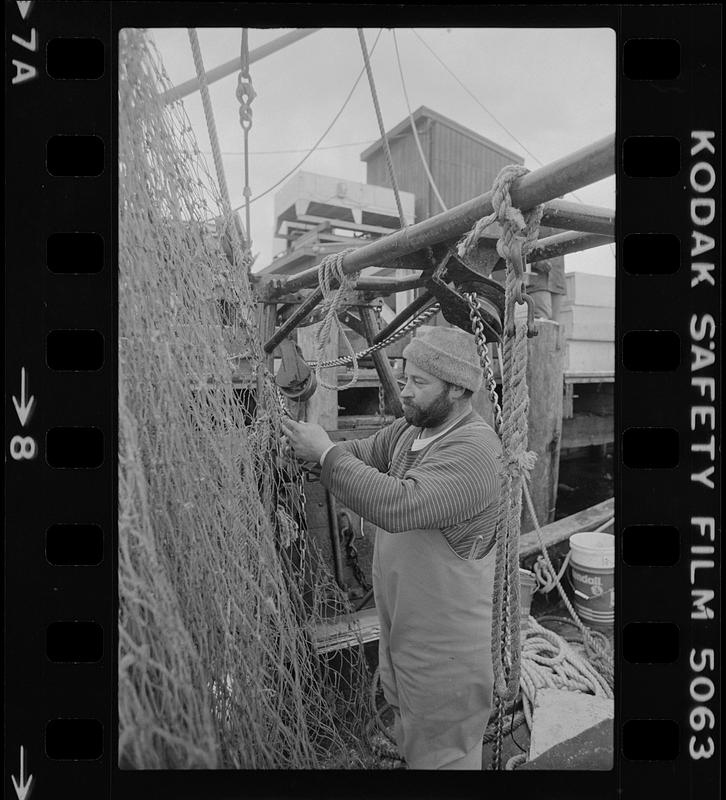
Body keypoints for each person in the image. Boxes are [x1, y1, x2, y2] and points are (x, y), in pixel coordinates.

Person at [281, 325, 502, 770]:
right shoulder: (410, 431)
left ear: (459, 389)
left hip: (447, 650)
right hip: (403, 628)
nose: (405, 390)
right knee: (411, 728)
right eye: (404, 376)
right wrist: (307, 447)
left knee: (445, 750)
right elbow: (362, 452)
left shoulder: (475, 451)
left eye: (419, 383)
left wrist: (327, 456)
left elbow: (400, 504)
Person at [526, 257, 567, 322]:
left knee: (556, 324)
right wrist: (535, 262)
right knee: (541, 319)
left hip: (557, 281)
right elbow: (521, 250)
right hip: (538, 282)